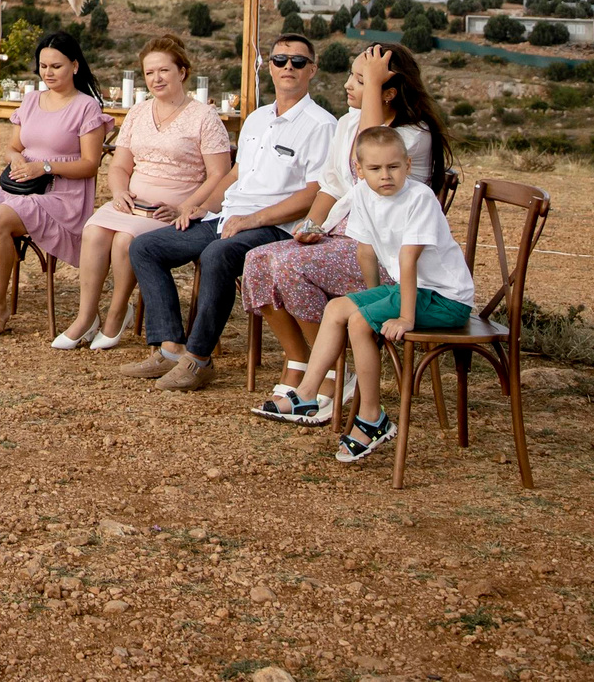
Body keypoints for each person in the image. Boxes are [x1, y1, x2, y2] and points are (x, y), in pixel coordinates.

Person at [250, 123, 476, 464]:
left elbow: (408, 258)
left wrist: (403, 316)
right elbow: (365, 251)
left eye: (394, 167)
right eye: (375, 168)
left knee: (359, 322)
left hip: (445, 299)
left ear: (407, 165)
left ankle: (372, 419)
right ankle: (307, 394)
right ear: (359, 170)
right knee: (339, 308)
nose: (385, 176)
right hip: (408, 290)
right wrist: (376, 297)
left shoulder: (419, 198)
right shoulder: (362, 194)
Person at [122, 32, 335, 390]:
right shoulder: (256, 119)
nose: (288, 67)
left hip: (275, 226)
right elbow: (235, 174)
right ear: (269, 67)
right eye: (280, 60)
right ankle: (170, 348)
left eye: (298, 61)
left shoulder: (321, 125)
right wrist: (198, 206)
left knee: (217, 254)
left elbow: (314, 193)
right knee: (146, 247)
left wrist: (254, 219)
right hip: (227, 217)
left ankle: (199, 359)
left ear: (311, 69)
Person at [241, 42, 454, 395]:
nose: (348, 86)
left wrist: (373, 82)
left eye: (361, 80)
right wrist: (312, 224)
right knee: (257, 261)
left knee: (290, 267)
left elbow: (370, 155)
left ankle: (334, 374)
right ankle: (301, 358)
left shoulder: (411, 136)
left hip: (387, 255)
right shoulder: (348, 122)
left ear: (387, 93)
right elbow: (333, 183)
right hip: (343, 237)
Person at [56, 36, 232, 351]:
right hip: (131, 203)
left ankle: (117, 312)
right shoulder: (138, 113)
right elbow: (120, 165)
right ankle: (86, 317)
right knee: (95, 230)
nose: (156, 79)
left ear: (182, 72)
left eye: (163, 70)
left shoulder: (204, 116)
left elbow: (219, 173)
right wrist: (120, 191)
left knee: (125, 239)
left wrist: (186, 207)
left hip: (173, 209)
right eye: (149, 73)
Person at [0, 30, 113, 339]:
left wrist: (43, 166)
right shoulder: (31, 100)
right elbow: (12, 146)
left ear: (74, 66)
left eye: (56, 66)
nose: (48, 73)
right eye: (43, 66)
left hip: (61, 194)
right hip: (21, 185)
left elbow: (90, 164)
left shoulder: (87, 108)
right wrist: (16, 160)